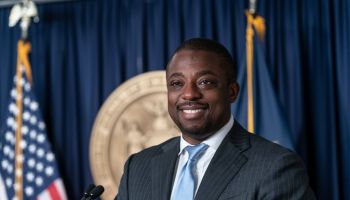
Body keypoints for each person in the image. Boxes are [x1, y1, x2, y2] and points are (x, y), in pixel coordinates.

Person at [115, 38, 315, 200]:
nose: (189, 94)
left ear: (232, 92)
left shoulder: (276, 167)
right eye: (177, 83)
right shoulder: (138, 167)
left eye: (205, 82)